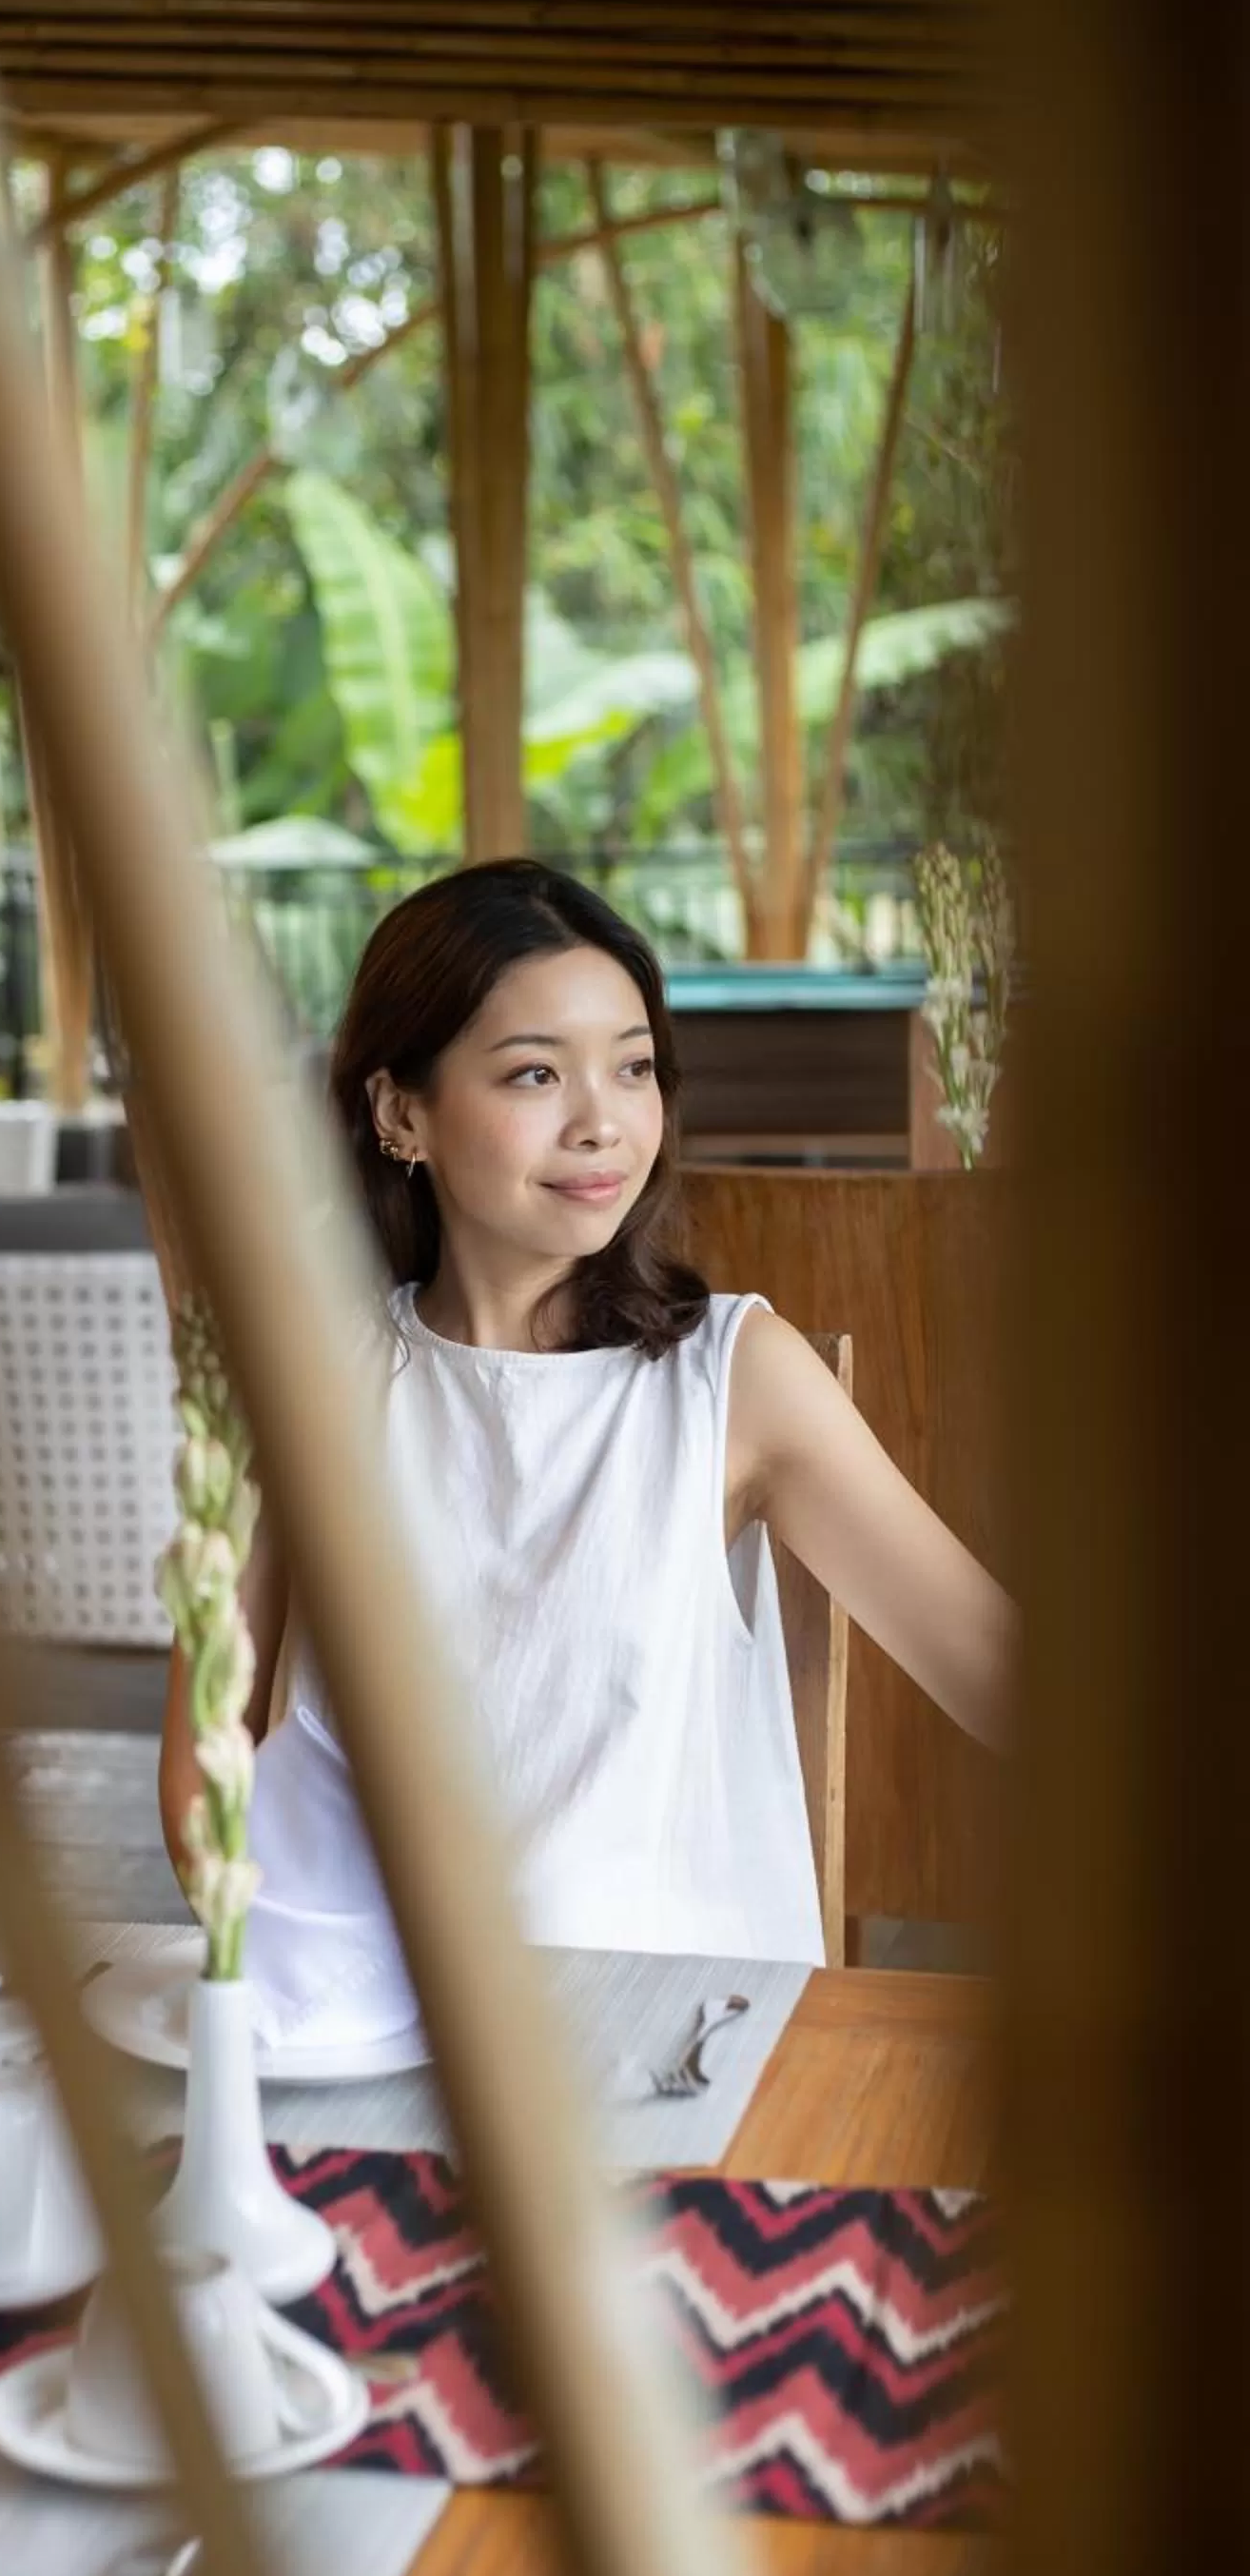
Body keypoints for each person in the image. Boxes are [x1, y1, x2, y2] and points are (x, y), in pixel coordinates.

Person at [158, 859, 1017, 2027]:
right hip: (350, 2025)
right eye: (533, 1074)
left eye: (633, 1066)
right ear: (399, 1111)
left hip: (668, 2040)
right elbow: (207, 1751)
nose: (602, 1122)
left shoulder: (734, 1377)